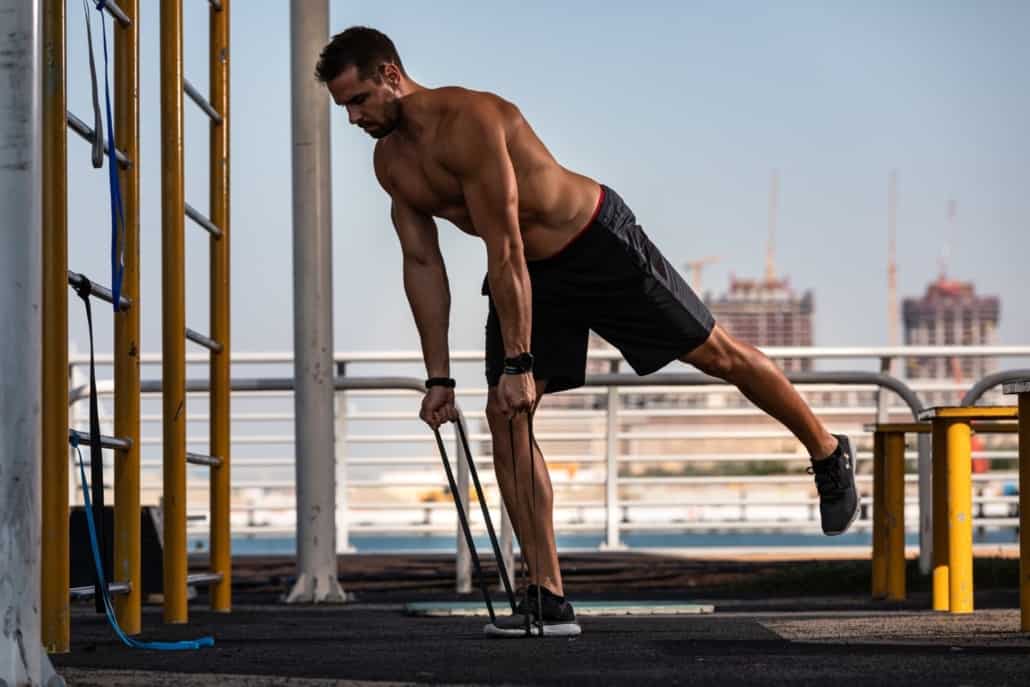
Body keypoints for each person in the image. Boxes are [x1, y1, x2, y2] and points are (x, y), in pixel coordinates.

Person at [316, 27, 859, 638]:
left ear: (391, 75)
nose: (353, 116)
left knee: (718, 355)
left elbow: (506, 240)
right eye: (344, 107)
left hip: (594, 241)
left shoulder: (471, 117)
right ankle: (548, 593)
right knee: (506, 415)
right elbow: (423, 266)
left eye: (358, 100)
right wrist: (438, 377)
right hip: (528, 276)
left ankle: (826, 450)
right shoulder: (390, 164)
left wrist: (521, 364)